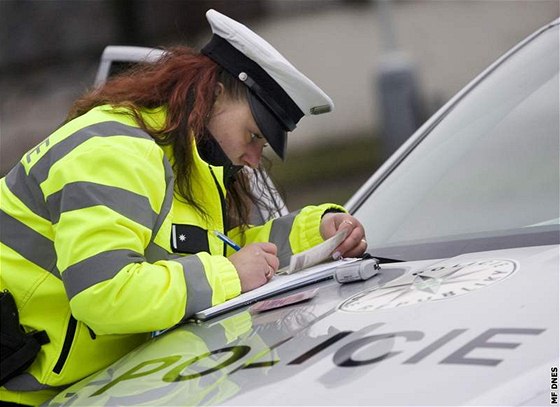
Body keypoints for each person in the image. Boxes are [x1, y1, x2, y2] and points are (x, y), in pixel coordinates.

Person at [0, 9, 367, 406]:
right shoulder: (114, 150)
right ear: (215, 93)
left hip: (81, 389)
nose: (254, 158)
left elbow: (220, 250)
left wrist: (318, 232)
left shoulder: (183, 155)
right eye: (254, 135)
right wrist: (229, 275)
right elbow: (103, 294)